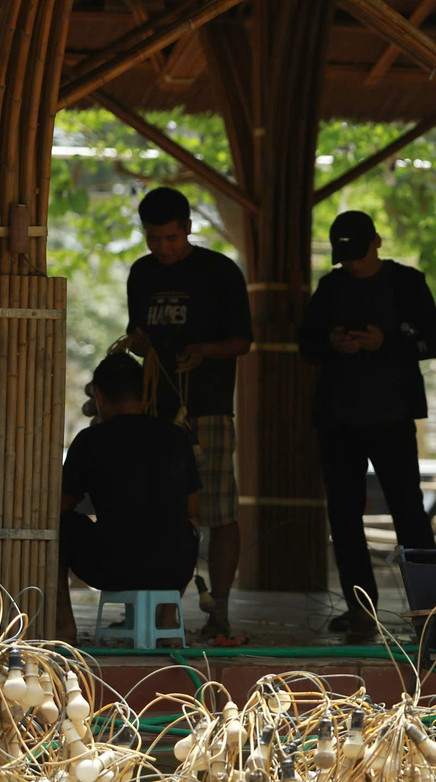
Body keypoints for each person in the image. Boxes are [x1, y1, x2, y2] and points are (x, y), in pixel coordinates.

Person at [297, 210, 436, 635]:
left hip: (392, 415)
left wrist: (387, 341)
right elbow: (305, 345)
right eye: (344, 260)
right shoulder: (330, 288)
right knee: (343, 515)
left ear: (377, 242)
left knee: (409, 513)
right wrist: (333, 342)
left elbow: (433, 343)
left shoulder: (407, 283)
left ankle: (429, 609)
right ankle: (360, 607)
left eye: (358, 257)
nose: (352, 266)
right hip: (337, 417)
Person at [125, 187, 252, 641]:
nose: (163, 247)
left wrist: (203, 352)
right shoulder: (140, 274)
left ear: (188, 229)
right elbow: (136, 336)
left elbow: (242, 342)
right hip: (155, 412)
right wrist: (140, 345)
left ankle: (220, 610)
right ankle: (158, 608)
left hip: (209, 410)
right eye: (154, 238)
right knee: (157, 510)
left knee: (219, 512)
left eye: (171, 237)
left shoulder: (219, 272)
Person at [56, 353, 201, 642]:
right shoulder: (176, 437)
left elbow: (62, 505)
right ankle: (168, 618)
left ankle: (64, 626)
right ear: (144, 392)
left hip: (115, 567)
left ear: (99, 394)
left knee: (62, 526)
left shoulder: (91, 440)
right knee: (188, 529)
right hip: (172, 568)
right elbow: (193, 508)